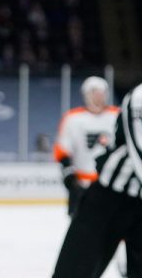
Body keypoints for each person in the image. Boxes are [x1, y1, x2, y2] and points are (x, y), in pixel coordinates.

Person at [52, 82, 142, 278]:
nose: (99, 96)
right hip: (108, 198)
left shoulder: (113, 112)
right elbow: (139, 155)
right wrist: (71, 181)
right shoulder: (139, 98)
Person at [53, 76, 120, 217]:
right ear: (86, 95)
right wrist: (69, 174)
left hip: (113, 184)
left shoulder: (117, 115)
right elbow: (62, 149)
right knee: (81, 232)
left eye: (102, 93)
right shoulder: (72, 118)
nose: (99, 97)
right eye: (94, 92)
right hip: (82, 183)